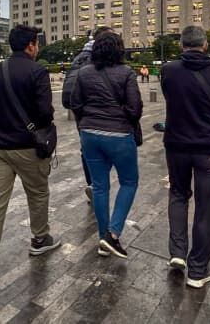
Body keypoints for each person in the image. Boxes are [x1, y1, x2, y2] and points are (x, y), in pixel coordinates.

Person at [0, 25, 60, 312]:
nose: (37, 48)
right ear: (31, 45)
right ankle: (39, 238)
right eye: (36, 43)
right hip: (27, 147)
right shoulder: (37, 72)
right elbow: (45, 112)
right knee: (38, 193)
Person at [160, 26, 210, 288]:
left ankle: (178, 252)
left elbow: (170, 98)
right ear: (205, 45)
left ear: (181, 45)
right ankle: (199, 269)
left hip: (176, 144)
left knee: (178, 194)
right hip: (209, 146)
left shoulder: (169, 70)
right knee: (206, 206)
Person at [70, 32, 142, 259]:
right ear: (119, 49)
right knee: (129, 182)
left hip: (89, 135)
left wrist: (86, 122)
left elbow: (75, 103)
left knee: (100, 187)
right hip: (119, 135)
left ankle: (104, 239)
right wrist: (120, 115)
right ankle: (113, 233)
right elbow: (135, 109)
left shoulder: (83, 72)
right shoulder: (126, 72)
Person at [62, 26, 114, 203]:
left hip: (81, 113)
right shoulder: (102, 57)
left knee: (87, 148)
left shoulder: (79, 57)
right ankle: (98, 186)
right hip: (98, 111)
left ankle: (92, 183)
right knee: (107, 147)